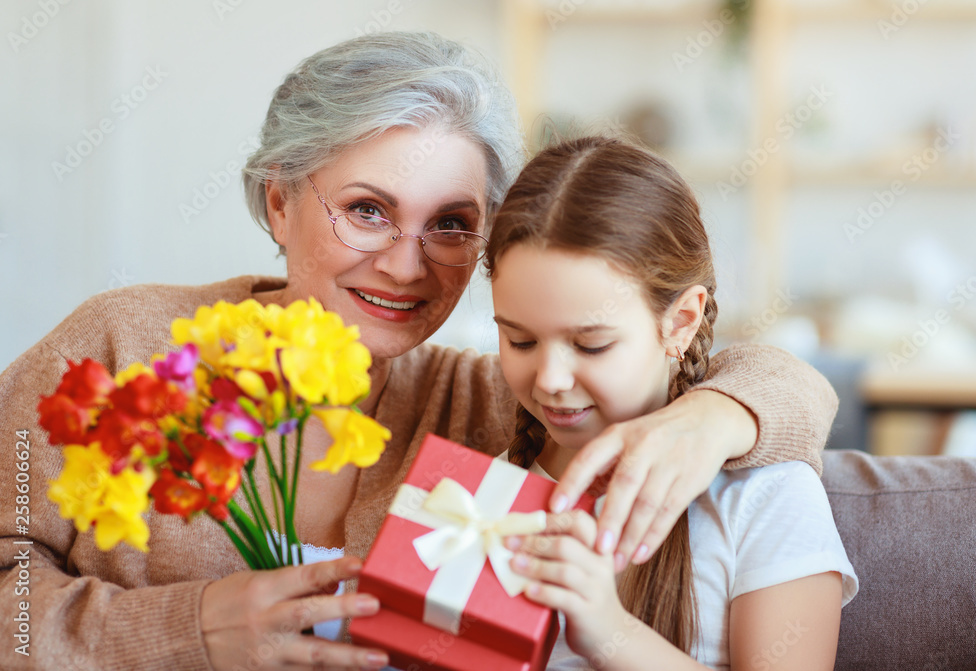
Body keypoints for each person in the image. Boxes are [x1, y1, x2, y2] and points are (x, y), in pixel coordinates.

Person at [0, 33, 838, 670]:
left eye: (450, 224)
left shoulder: (491, 403)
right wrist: (190, 630)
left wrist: (715, 418)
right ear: (279, 200)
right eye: (367, 209)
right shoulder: (123, 350)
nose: (407, 264)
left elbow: (782, 383)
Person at [485, 135, 857, 670]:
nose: (550, 379)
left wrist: (608, 631)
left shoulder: (763, 495)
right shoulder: (490, 493)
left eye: (591, 344)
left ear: (680, 322)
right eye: (520, 340)